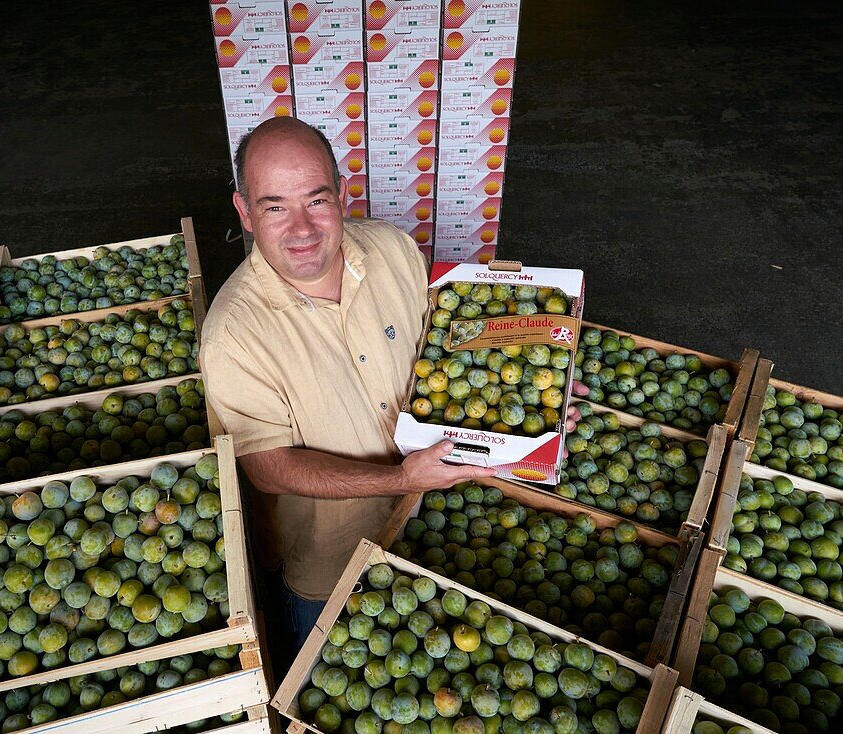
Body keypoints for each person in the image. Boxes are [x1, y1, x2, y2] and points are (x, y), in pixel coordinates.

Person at [199, 117, 584, 670]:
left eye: (317, 199)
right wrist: (400, 478)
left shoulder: (394, 251)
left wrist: (541, 377)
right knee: (341, 681)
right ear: (244, 211)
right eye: (274, 206)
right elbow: (269, 467)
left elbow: (454, 348)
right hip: (331, 567)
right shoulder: (234, 332)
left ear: (342, 192)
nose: (303, 228)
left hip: (437, 520)